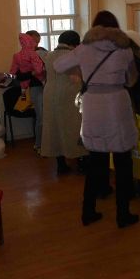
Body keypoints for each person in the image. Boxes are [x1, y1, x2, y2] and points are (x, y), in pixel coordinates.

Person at [54, 10, 139, 228]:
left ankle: (88, 211)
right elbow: (131, 79)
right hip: (117, 104)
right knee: (122, 162)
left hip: (93, 105)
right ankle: (123, 214)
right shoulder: (125, 49)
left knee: (95, 162)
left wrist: (80, 72)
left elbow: (58, 65)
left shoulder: (84, 48)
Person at [41, 30, 88, 174]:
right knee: (74, 128)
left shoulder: (48, 56)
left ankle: (61, 165)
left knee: (54, 128)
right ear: (74, 44)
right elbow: (81, 77)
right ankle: (81, 164)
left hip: (50, 95)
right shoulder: (74, 56)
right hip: (70, 95)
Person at [10, 32, 46, 154]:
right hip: (35, 88)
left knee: (44, 117)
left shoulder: (41, 52)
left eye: (38, 41)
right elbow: (17, 76)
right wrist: (32, 73)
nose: (36, 44)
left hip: (47, 87)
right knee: (41, 118)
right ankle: (39, 145)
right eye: (35, 41)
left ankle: (45, 143)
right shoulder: (20, 56)